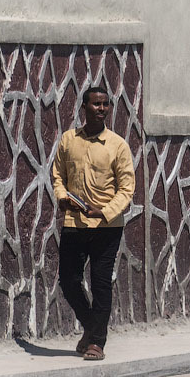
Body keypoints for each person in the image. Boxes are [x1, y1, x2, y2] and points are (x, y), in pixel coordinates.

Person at [51, 86, 136, 361]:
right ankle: (91, 326)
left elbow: (127, 187)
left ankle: (96, 342)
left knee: (100, 284)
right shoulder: (68, 140)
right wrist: (62, 197)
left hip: (107, 228)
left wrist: (106, 211)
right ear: (83, 108)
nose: (101, 109)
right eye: (96, 104)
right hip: (74, 222)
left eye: (105, 105)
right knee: (68, 280)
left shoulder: (118, 145)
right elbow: (58, 175)